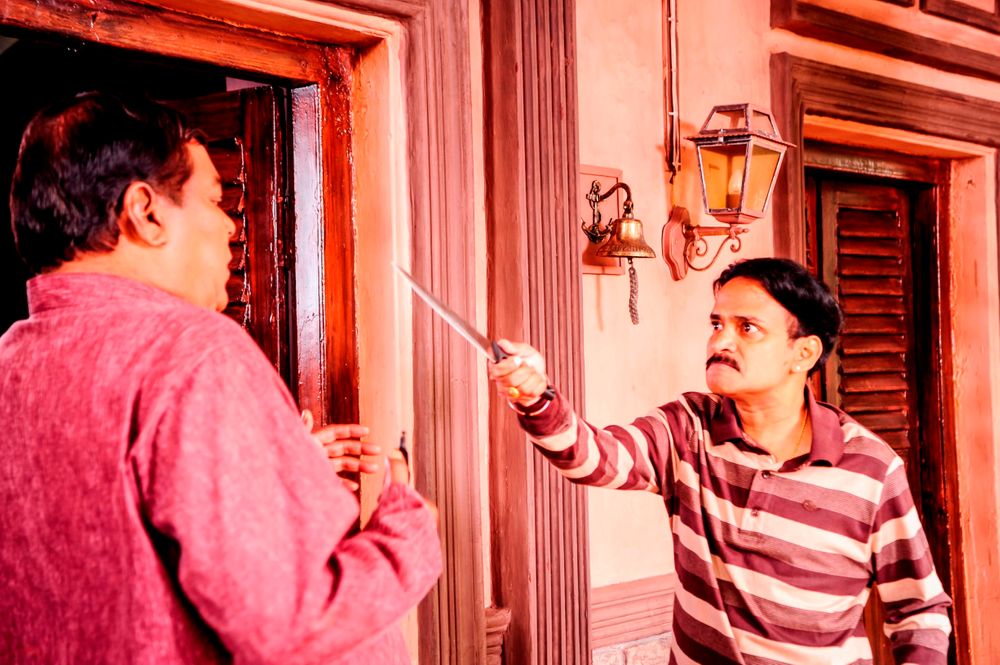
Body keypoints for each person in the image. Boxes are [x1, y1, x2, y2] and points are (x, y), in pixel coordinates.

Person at [0, 92, 440, 664]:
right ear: (146, 213)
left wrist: (272, 467)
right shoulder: (192, 353)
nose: (232, 225)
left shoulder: (12, 365)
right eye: (215, 199)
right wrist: (407, 535)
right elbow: (288, 627)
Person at [490, 257, 951, 665]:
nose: (720, 341)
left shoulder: (871, 468)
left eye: (747, 328)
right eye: (716, 324)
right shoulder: (689, 428)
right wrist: (537, 396)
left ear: (804, 353)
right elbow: (594, 457)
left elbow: (920, 609)